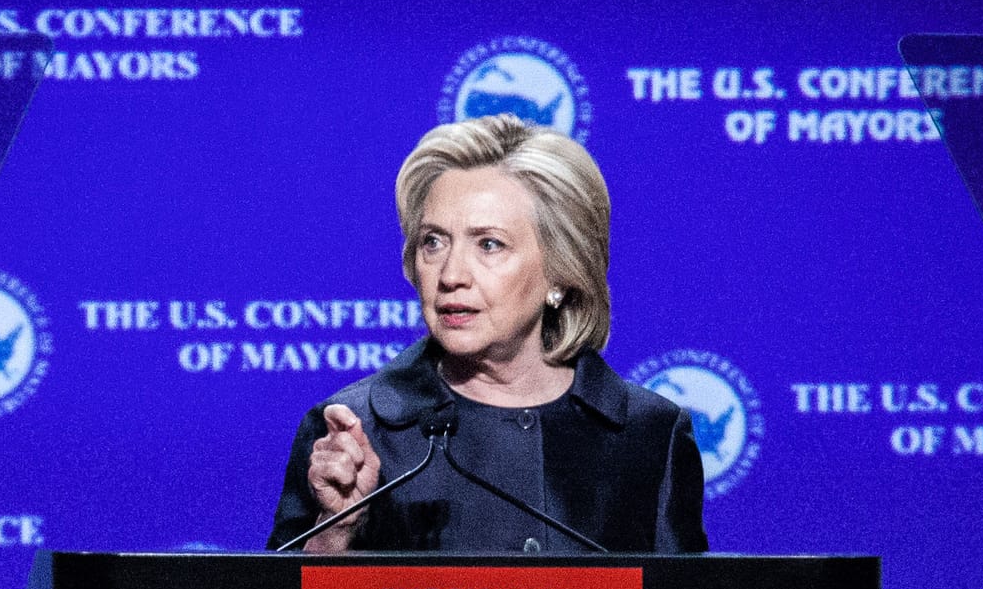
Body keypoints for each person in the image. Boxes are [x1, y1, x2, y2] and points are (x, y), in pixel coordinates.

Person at [267, 114, 707, 554]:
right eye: (433, 242)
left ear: (560, 271)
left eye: (489, 244)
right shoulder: (355, 432)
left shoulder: (649, 434)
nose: (451, 274)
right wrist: (335, 529)